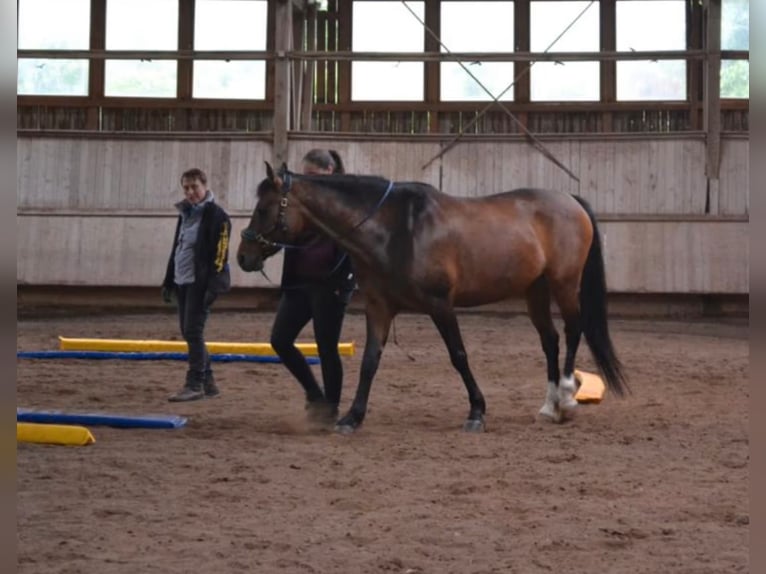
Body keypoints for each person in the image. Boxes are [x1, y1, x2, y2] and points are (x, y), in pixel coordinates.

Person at [270, 149, 355, 424]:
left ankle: (330, 408)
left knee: (326, 347)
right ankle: (314, 395)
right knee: (280, 340)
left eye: (315, 175)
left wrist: (345, 284)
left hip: (331, 286)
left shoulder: (345, 201)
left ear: (330, 170)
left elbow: (355, 245)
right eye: (306, 176)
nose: (309, 180)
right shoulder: (298, 199)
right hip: (299, 283)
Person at [162, 167, 232, 402]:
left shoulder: (217, 216)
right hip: (183, 280)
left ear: (205, 186)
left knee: (193, 331)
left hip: (200, 284)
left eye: (194, 187)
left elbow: (221, 254)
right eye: (186, 188)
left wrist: (213, 287)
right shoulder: (185, 214)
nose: (190, 192)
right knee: (188, 331)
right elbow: (178, 247)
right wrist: (169, 280)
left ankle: (195, 384)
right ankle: (209, 382)